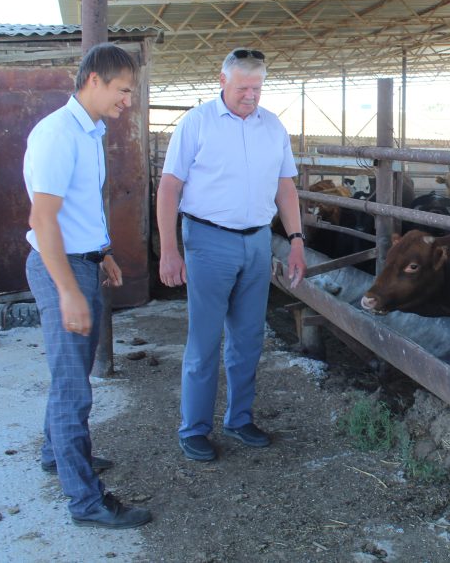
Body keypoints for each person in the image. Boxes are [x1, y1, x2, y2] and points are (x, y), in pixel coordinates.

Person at [24, 42, 152, 529]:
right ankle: (85, 502)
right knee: (73, 388)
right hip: (60, 268)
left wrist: (101, 253)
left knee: (70, 376)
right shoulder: (57, 134)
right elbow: (44, 217)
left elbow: (78, 209)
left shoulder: (88, 132)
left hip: (81, 261)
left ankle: (55, 455)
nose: (128, 101)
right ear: (93, 80)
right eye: (123, 90)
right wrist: (69, 290)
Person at [157, 48, 307, 462]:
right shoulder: (196, 123)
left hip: (257, 240)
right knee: (204, 340)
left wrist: (295, 240)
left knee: (248, 337)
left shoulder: (272, 127)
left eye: (257, 88)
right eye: (243, 87)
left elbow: (286, 187)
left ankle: (239, 419)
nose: (251, 96)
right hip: (208, 239)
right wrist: (169, 249)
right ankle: (194, 428)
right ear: (221, 82)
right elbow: (169, 187)